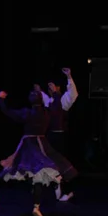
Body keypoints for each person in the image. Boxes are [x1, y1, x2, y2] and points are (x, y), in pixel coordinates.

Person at [0, 89, 77, 216]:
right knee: (41, 174)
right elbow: (57, 108)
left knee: (37, 175)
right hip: (42, 144)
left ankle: (42, 198)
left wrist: (1, 100)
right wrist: (56, 94)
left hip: (30, 145)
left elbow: (8, 112)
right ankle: (40, 201)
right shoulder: (46, 112)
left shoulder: (28, 113)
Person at [34, 67, 78, 201]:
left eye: (53, 87)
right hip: (50, 137)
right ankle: (55, 185)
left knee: (63, 163)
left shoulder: (63, 100)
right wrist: (39, 91)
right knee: (50, 163)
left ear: (58, 88)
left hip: (60, 137)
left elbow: (73, 94)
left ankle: (69, 190)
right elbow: (45, 98)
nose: (51, 89)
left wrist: (69, 77)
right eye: (49, 87)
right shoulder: (50, 101)